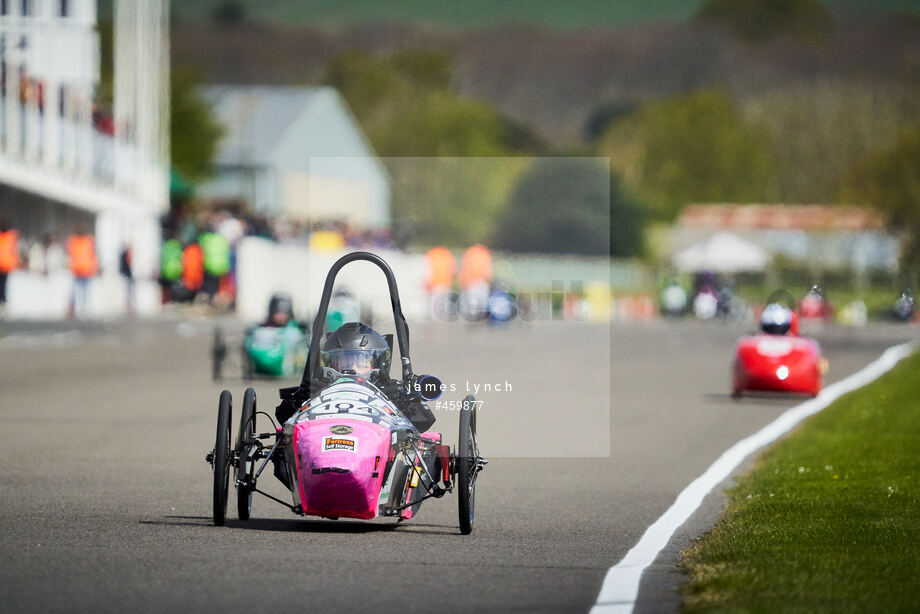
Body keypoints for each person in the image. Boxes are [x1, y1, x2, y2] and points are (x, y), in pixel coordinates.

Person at [275, 322, 436, 433]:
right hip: (322, 444)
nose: (351, 369)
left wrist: (401, 401)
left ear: (378, 364)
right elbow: (283, 417)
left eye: (360, 362)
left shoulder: (388, 390)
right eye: (343, 362)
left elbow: (424, 421)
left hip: (374, 449)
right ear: (329, 364)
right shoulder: (320, 388)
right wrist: (302, 398)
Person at [67, 227, 98, 317]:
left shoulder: (85, 242)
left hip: (85, 270)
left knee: (83, 291)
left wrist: (94, 267)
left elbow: (91, 256)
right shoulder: (76, 241)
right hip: (79, 270)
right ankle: (78, 308)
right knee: (78, 291)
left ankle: (83, 308)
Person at [0, 220, 20, 307]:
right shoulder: (9, 237)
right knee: (3, 284)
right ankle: (3, 300)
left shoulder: (10, 237)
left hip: (6, 266)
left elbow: (14, 251)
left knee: (3, 285)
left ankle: (3, 301)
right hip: (5, 265)